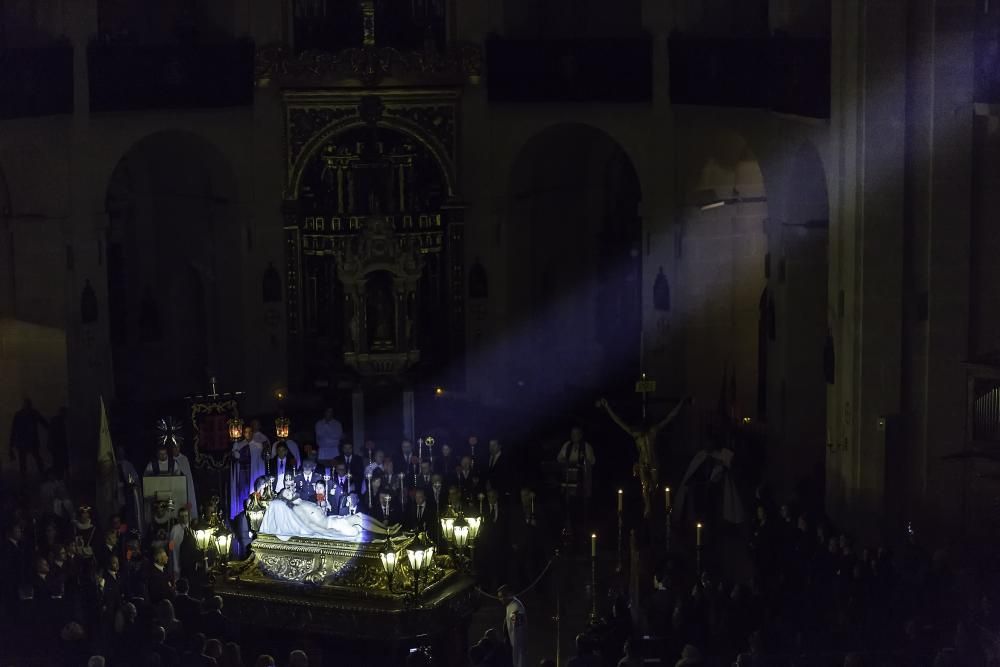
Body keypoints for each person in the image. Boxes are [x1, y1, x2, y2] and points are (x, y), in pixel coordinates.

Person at [597, 397, 690, 517]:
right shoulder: (635, 434)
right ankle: (647, 507)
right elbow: (618, 421)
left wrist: (680, 403)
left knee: (653, 486)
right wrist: (607, 407)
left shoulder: (653, 431)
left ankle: (652, 503)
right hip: (642, 463)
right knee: (645, 486)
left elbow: (669, 417)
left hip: (653, 462)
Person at [231, 426, 266, 519]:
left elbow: (260, 461)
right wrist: (235, 453)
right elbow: (235, 460)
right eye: (246, 432)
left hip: (254, 473)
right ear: (243, 433)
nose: (248, 434)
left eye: (250, 432)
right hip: (242, 473)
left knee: (253, 493)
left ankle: (254, 513)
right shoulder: (239, 445)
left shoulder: (258, 445)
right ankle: (242, 513)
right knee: (242, 493)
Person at [9, 398, 48, 479]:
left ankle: (26, 480)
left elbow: (13, 430)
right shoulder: (32, 413)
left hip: (24, 442)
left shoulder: (20, 414)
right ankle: (42, 477)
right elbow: (44, 423)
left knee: (27, 462)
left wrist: (11, 445)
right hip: (28, 441)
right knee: (35, 460)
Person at [498, 584, 527, 667]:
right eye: (499, 597)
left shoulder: (516, 607)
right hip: (511, 646)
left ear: (510, 594)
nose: (501, 599)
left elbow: (518, 632)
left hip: (516, 647)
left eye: (503, 596)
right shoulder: (509, 605)